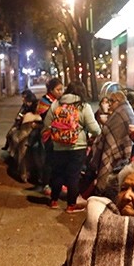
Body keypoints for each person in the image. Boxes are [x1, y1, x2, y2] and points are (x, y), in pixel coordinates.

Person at [44, 82, 100, 212]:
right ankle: (70, 205)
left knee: (57, 174)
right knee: (73, 176)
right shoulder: (83, 106)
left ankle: (53, 201)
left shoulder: (56, 104)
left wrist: (58, 133)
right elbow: (95, 129)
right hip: (77, 147)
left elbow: (47, 124)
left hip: (58, 146)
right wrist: (86, 132)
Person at [83, 89, 134, 198]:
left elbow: (110, 132)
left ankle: (100, 192)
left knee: (110, 174)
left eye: (112, 101)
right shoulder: (125, 110)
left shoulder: (120, 114)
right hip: (119, 149)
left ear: (118, 101)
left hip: (115, 150)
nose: (109, 104)